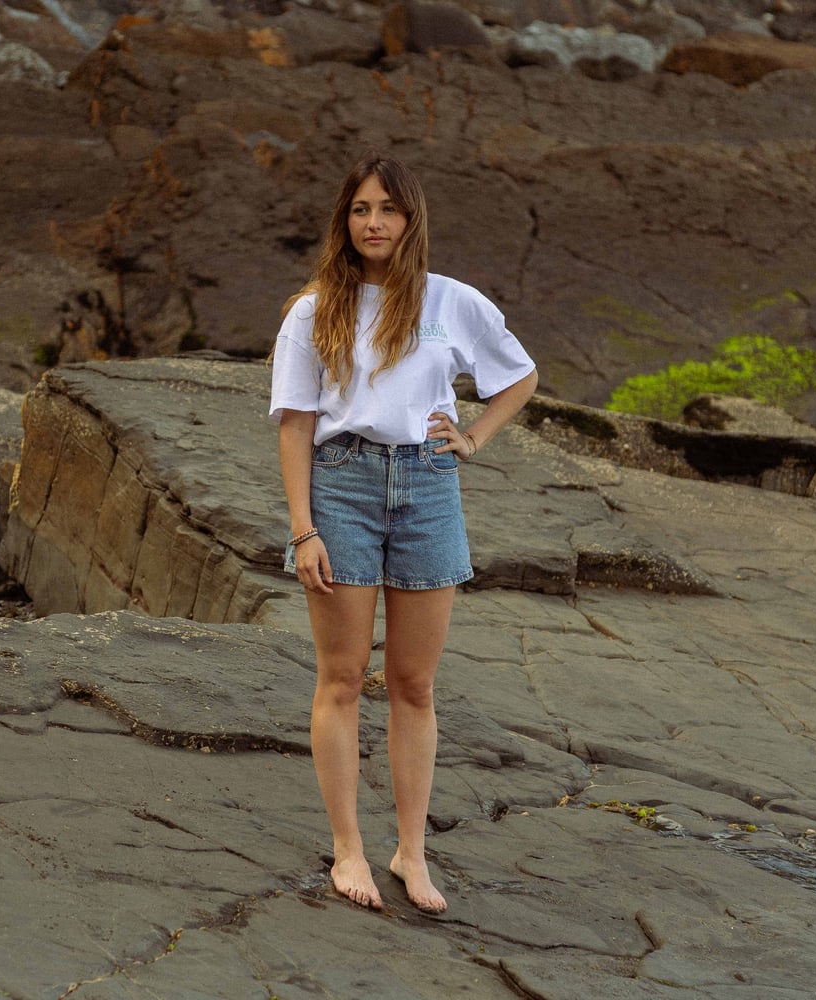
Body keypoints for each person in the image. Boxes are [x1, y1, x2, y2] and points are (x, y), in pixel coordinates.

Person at [269, 150, 538, 914]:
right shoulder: (313, 308)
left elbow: (519, 375)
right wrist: (303, 529)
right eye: (360, 209)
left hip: (427, 486)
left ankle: (411, 854)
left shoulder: (453, 302)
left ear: (411, 218)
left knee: (414, 683)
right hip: (343, 486)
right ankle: (348, 847)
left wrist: (476, 436)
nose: (374, 222)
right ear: (344, 221)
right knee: (345, 677)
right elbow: (294, 425)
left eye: (387, 209)